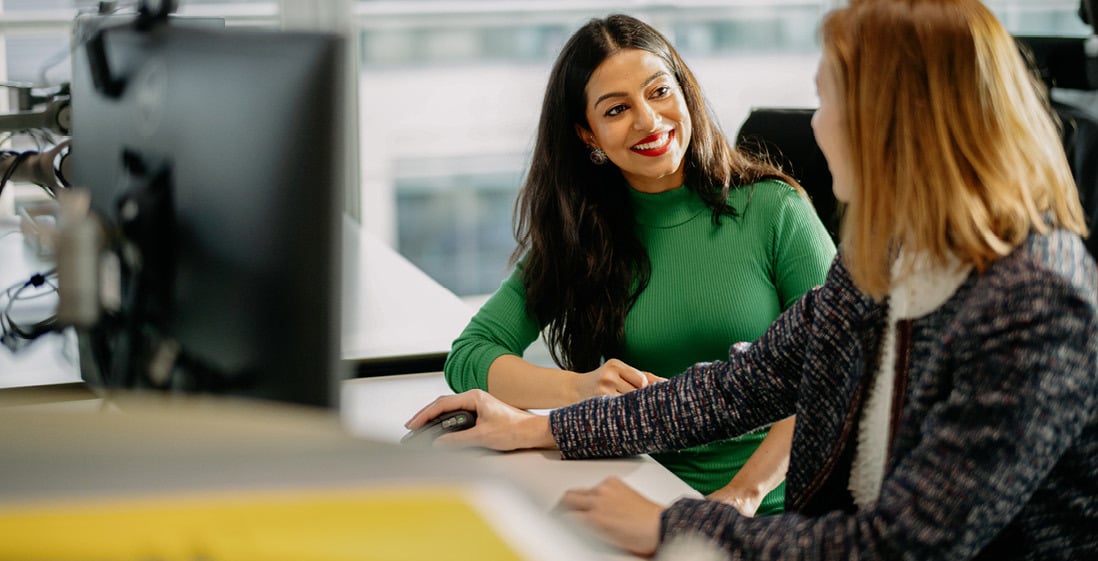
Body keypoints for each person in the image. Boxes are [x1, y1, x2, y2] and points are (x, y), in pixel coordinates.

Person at [408, 0, 1098, 558]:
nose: (817, 127)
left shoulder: (1035, 301)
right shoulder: (882, 268)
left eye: (827, 101)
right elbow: (733, 388)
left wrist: (681, 524)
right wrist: (536, 427)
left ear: (899, 124)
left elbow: (908, 542)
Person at [442, 14, 837, 516]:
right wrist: (579, 388)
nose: (649, 121)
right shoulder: (580, 233)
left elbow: (830, 372)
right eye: (616, 110)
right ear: (588, 135)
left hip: (771, 507)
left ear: (684, 91)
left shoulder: (774, 209)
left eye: (658, 91)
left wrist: (744, 494)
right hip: (633, 487)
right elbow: (470, 356)